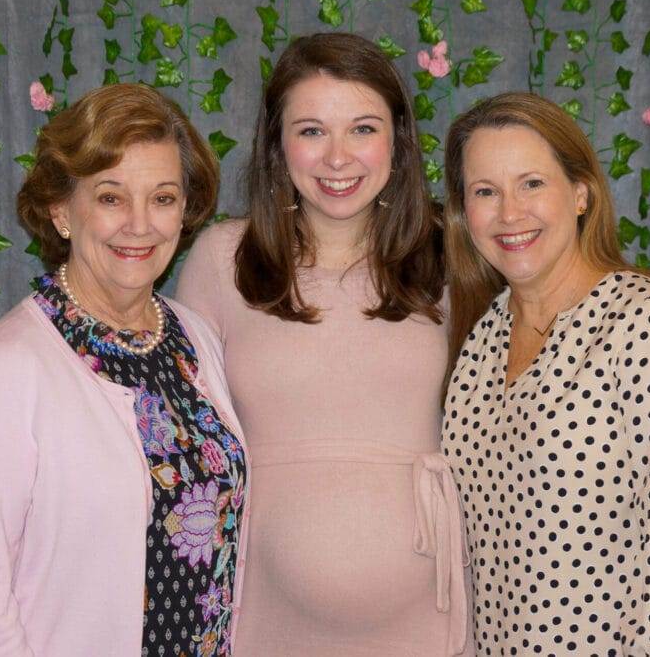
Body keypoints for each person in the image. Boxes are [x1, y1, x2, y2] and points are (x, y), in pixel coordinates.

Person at [176, 32, 471, 656]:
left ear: (397, 138)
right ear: (278, 145)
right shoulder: (220, 259)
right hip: (262, 618)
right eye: (311, 131)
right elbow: (186, 448)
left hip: (431, 620)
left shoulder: (454, 256)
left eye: (362, 129)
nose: (338, 158)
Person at [0, 83, 250, 657]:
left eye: (162, 198)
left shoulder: (195, 339)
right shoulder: (5, 367)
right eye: (111, 197)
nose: (140, 225)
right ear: (62, 210)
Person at [441, 92, 650, 656]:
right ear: (464, 211)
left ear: (581, 194)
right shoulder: (480, 344)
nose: (509, 213)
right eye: (486, 191)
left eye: (531, 183)